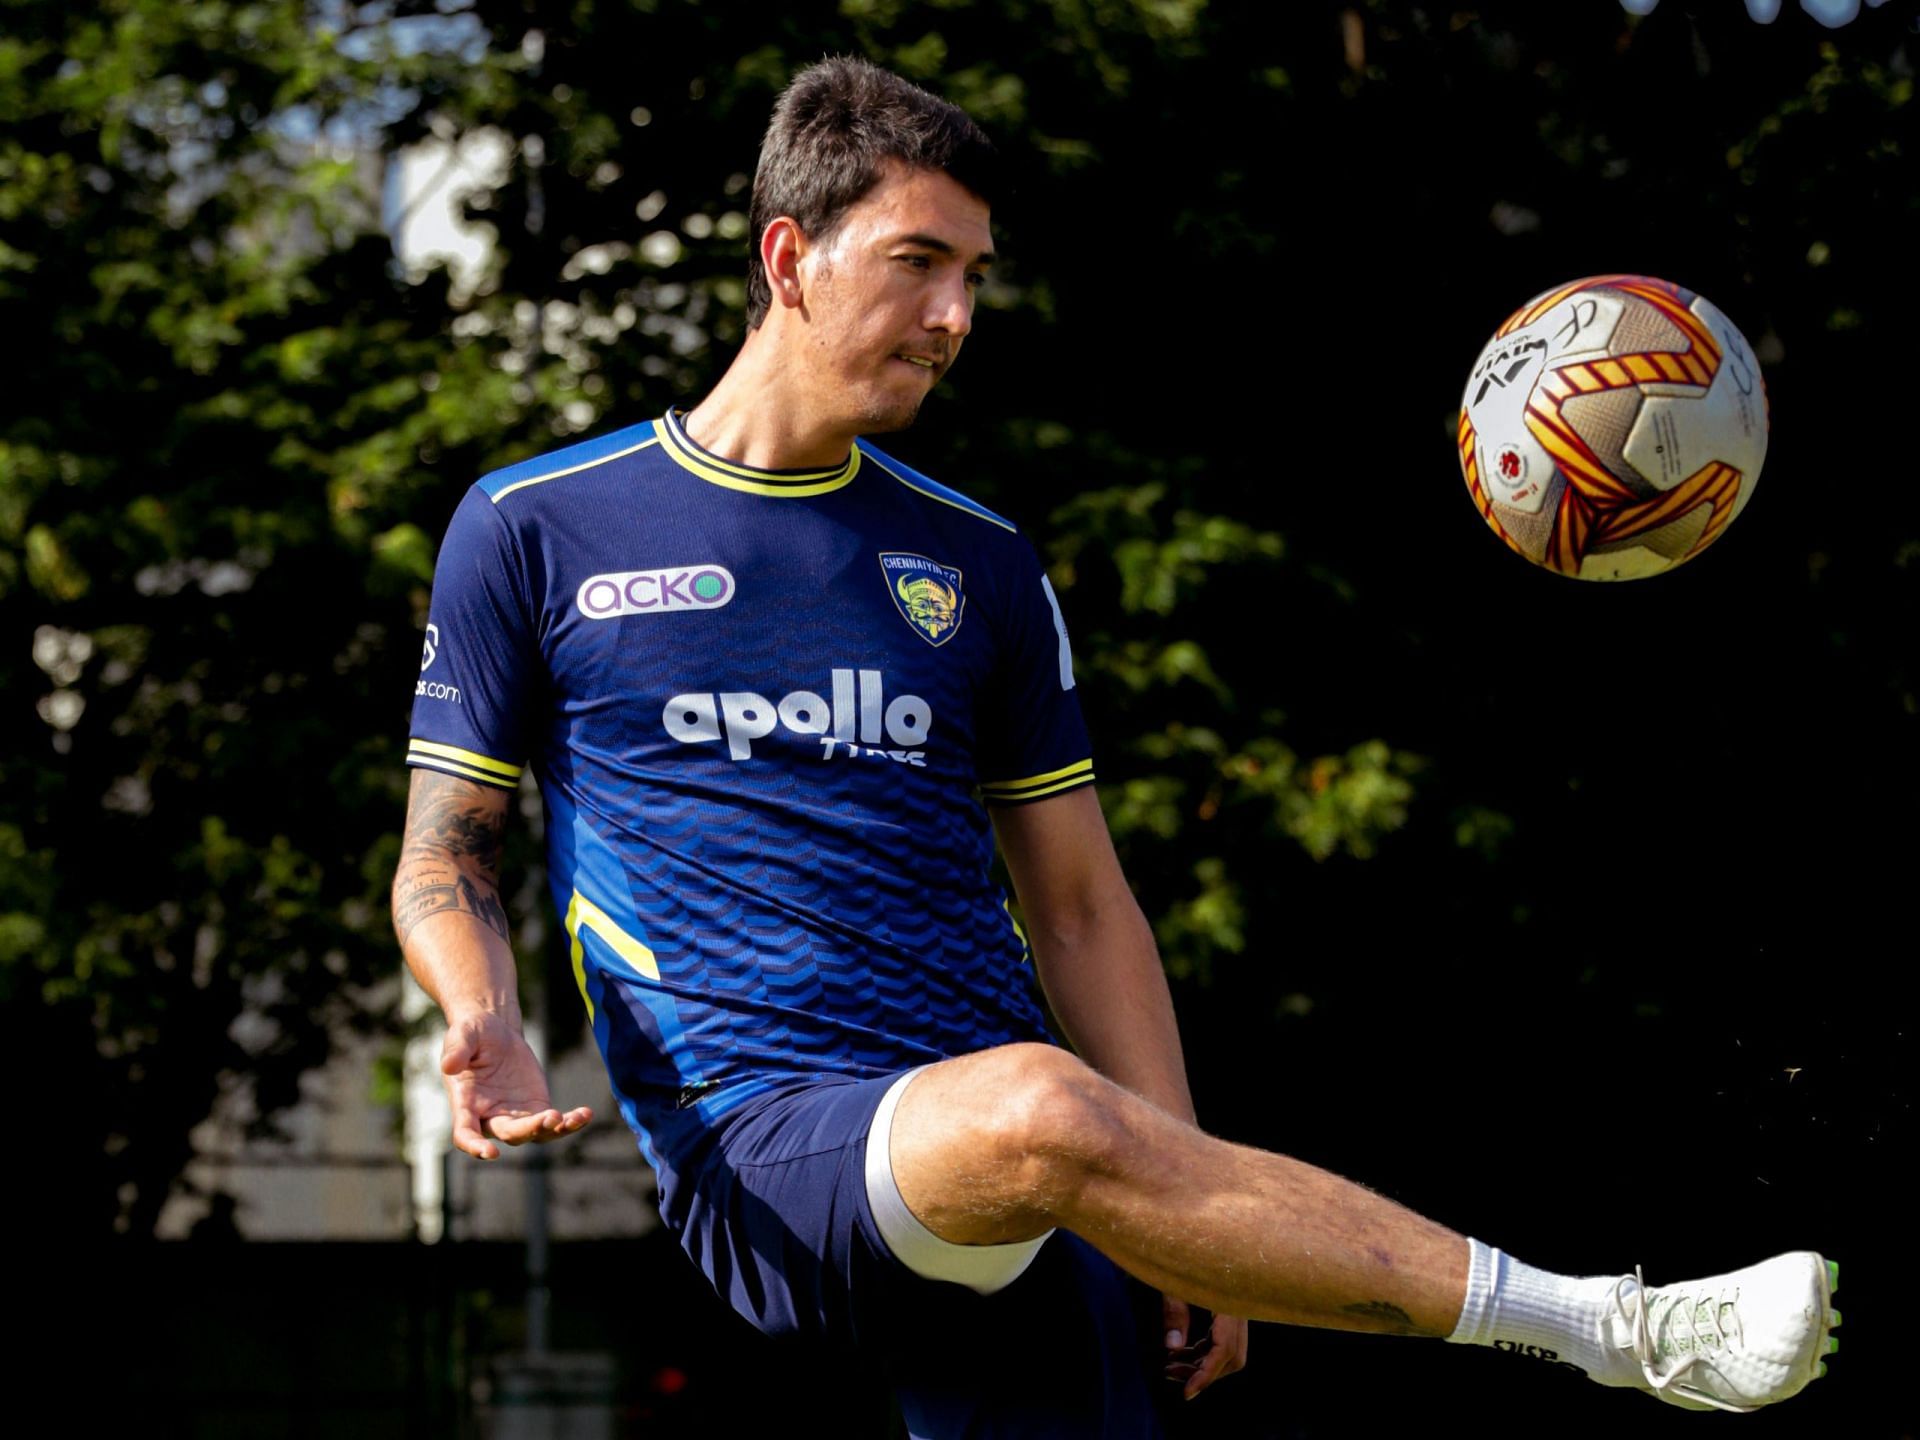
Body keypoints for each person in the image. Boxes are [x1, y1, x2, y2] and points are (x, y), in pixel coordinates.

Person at [392, 55, 1838, 1435]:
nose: (957, 314)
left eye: (975, 275)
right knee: (1037, 1105)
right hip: (770, 1140)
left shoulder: (980, 564)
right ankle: (1617, 1332)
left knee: (1039, 1121)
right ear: (789, 258)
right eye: (919, 263)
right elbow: (445, 853)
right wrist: (485, 1015)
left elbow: (1081, 904)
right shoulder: (537, 528)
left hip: (1044, 1163)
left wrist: (1182, 1200)